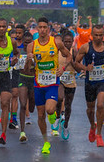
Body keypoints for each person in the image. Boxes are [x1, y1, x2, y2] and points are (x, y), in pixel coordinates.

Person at [27, 17, 71, 154]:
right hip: (38, 83)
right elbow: (29, 68)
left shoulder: (56, 42)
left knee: (50, 110)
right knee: (40, 115)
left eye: (45, 27)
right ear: (37, 29)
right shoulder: (32, 46)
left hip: (52, 82)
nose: (42, 30)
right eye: (40, 27)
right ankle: (46, 142)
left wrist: (62, 69)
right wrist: (29, 60)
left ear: (48, 29)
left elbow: (68, 56)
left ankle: (53, 115)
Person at [75, 24, 104, 146]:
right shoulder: (86, 47)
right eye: (96, 35)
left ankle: (99, 134)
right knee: (90, 109)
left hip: (103, 81)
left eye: (101, 35)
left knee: (100, 105)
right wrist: (85, 68)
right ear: (91, 35)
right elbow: (76, 62)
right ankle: (92, 126)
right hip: (90, 82)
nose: (98, 37)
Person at [0, 18, 19, 144]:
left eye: (4, 26)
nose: (1, 29)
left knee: (5, 102)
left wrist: (15, 60)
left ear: (7, 28)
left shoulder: (12, 41)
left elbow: (17, 53)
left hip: (5, 75)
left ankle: (3, 134)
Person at [57, 30, 77, 139]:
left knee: (68, 105)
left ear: (73, 42)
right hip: (60, 79)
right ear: (62, 42)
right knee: (60, 98)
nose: (68, 44)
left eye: (70, 42)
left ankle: (65, 126)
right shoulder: (58, 51)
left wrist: (72, 61)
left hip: (71, 81)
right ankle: (57, 116)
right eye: (66, 42)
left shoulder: (74, 52)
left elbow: (78, 68)